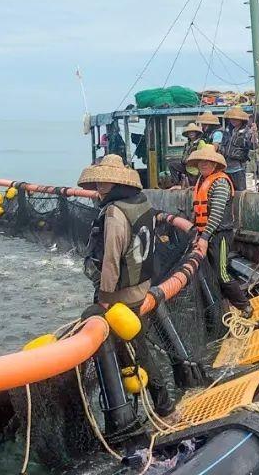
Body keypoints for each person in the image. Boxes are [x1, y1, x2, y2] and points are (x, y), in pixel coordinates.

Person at [78, 154, 175, 415]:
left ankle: (154, 407)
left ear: (115, 183)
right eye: (97, 182)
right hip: (142, 288)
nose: (99, 187)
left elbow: (111, 259)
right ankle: (146, 404)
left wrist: (105, 296)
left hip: (121, 295)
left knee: (126, 342)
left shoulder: (114, 212)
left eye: (104, 183)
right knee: (135, 344)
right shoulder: (141, 202)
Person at [185, 145, 253, 318]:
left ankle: (244, 306)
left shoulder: (220, 182)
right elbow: (198, 211)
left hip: (220, 235)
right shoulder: (201, 181)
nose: (204, 164)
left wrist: (205, 237)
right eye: (201, 161)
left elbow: (216, 213)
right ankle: (222, 308)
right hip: (206, 234)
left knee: (222, 273)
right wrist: (198, 233)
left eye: (208, 162)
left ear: (214, 164)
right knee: (211, 273)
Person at [218, 106, 257, 191]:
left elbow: (253, 145)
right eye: (232, 118)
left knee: (240, 192)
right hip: (226, 168)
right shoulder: (227, 131)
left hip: (238, 168)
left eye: (236, 118)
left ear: (241, 120)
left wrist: (254, 134)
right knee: (227, 192)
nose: (233, 120)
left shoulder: (247, 132)